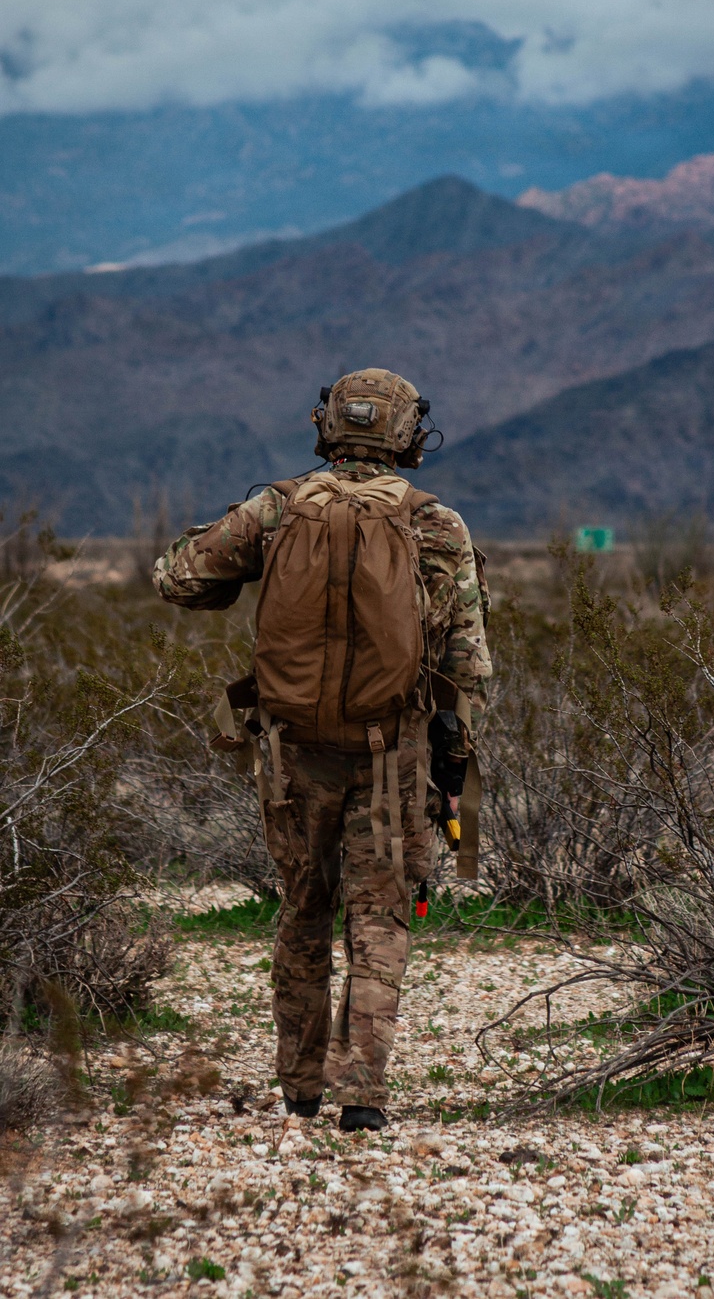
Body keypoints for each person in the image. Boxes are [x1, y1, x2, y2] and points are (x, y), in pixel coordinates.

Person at [153, 368, 492, 1132]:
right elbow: (468, 662)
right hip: (394, 753)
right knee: (381, 917)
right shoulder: (436, 523)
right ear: (407, 434)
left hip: (292, 753)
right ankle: (361, 1096)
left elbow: (177, 578)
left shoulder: (276, 508)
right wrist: (456, 758)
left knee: (303, 908)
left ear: (328, 424)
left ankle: (300, 1088)